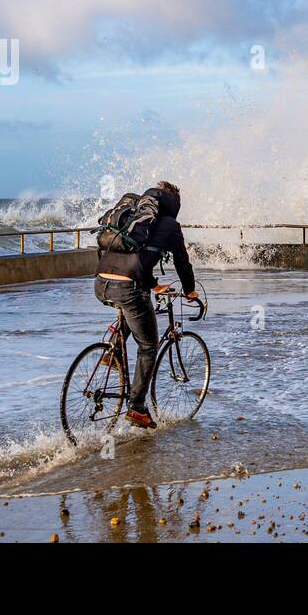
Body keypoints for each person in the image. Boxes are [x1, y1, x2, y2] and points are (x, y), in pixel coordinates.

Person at [95, 181, 197, 429]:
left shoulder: (133, 220)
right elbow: (182, 262)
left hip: (101, 283)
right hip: (129, 287)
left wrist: (151, 284)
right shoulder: (169, 226)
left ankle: (112, 351)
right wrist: (190, 290)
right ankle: (137, 408)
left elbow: (133, 257)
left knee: (134, 310)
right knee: (148, 346)